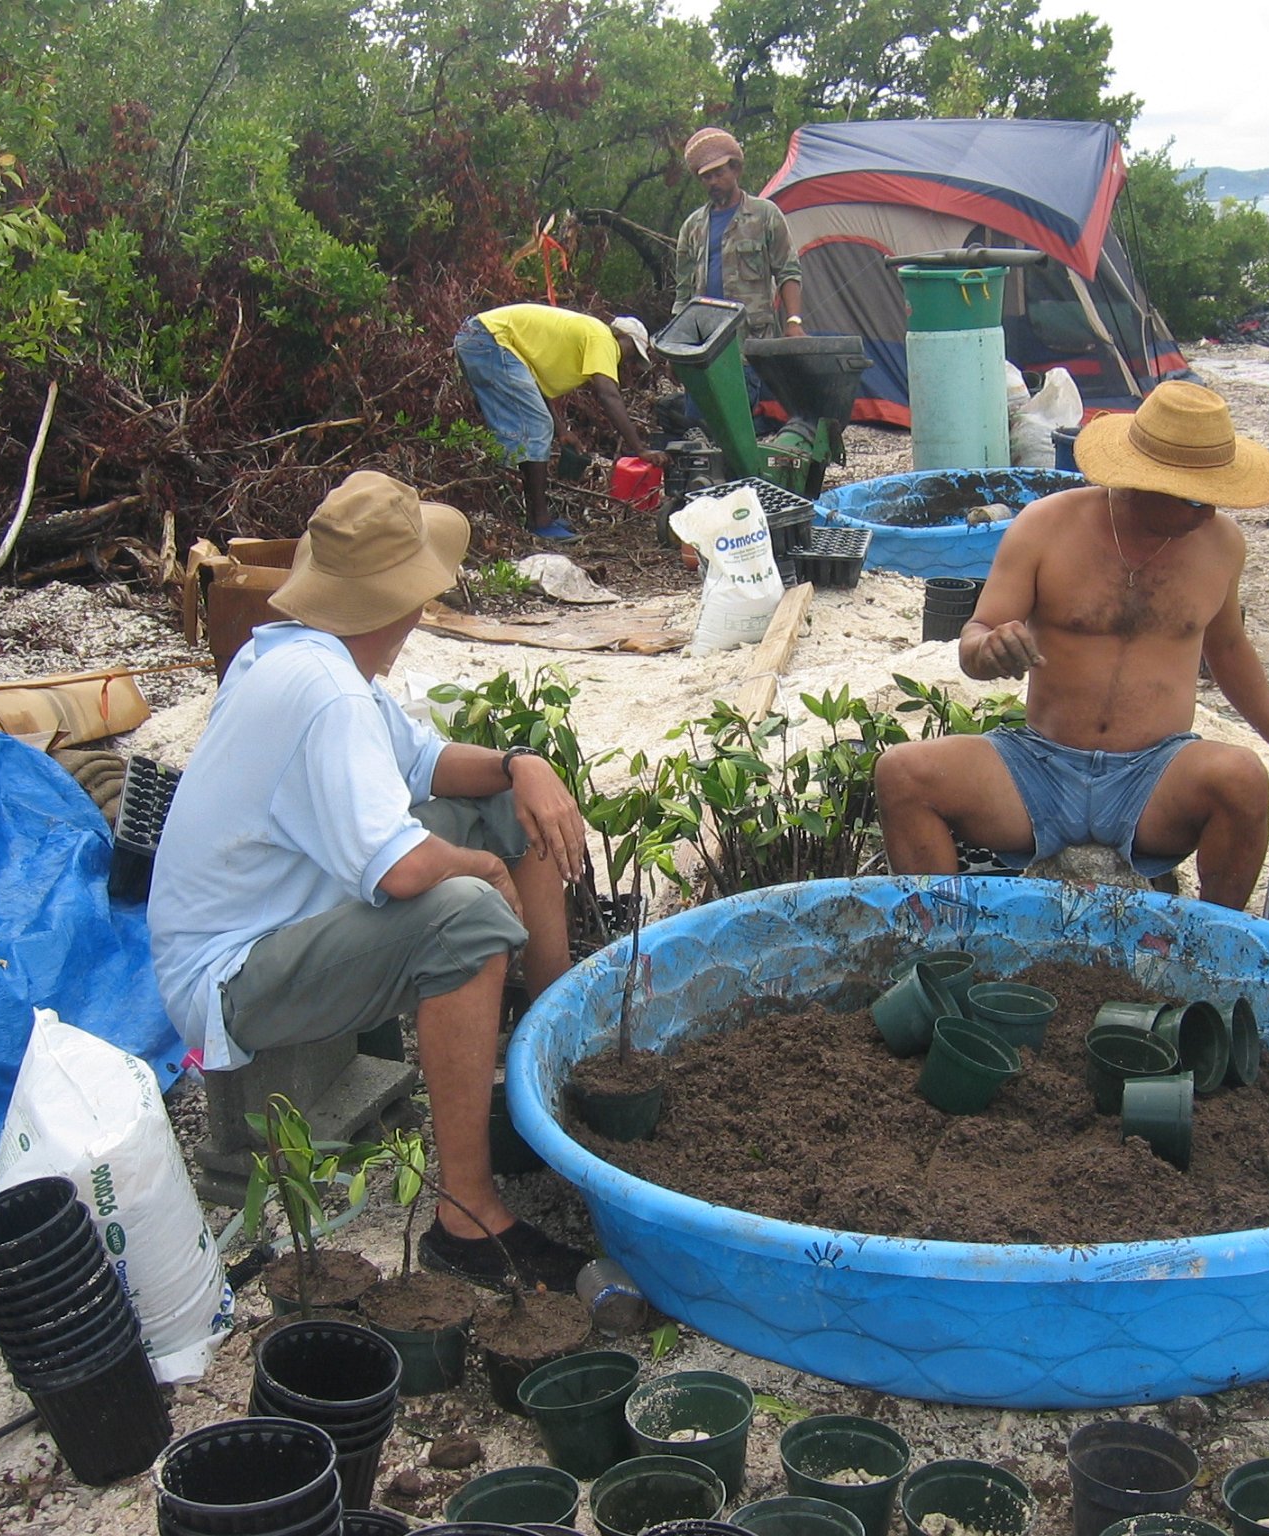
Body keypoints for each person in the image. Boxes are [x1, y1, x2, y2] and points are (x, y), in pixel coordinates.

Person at [148, 470, 595, 1291]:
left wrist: (519, 764)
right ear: (402, 602)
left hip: (287, 918)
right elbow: (405, 871)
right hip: (230, 980)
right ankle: (466, 1217)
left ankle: (556, 1039)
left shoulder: (301, 651)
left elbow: (427, 763)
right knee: (464, 913)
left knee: (501, 806)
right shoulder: (324, 693)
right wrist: (487, 868)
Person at [874, 381, 1269, 909]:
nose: (1206, 514)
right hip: (1038, 767)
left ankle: (1209, 947)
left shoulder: (1220, 544)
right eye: (1192, 499)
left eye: (1215, 498)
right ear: (1143, 482)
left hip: (1154, 774)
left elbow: (1229, 650)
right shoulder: (1046, 527)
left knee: (1242, 779)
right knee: (902, 772)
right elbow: (975, 640)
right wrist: (990, 648)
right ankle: (942, 945)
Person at [454, 304, 667, 541]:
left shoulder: (587, 337)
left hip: (479, 339)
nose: (627, 361)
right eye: (633, 352)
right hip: (487, 339)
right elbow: (608, 395)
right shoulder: (602, 338)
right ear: (622, 337)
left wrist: (561, 430)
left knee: (532, 426)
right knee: (535, 428)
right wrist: (640, 449)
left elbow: (533, 387)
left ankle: (532, 515)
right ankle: (539, 521)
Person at [673, 128, 804, 342]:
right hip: (708, 344)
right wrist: (679, 341)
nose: (713, 181)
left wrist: (794, 321)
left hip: (753, 340)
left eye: (719, 173)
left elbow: (788, 270)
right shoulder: (692, 227)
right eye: (706, 177)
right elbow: (683, 292)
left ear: (735, 170)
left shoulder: (765, 214)